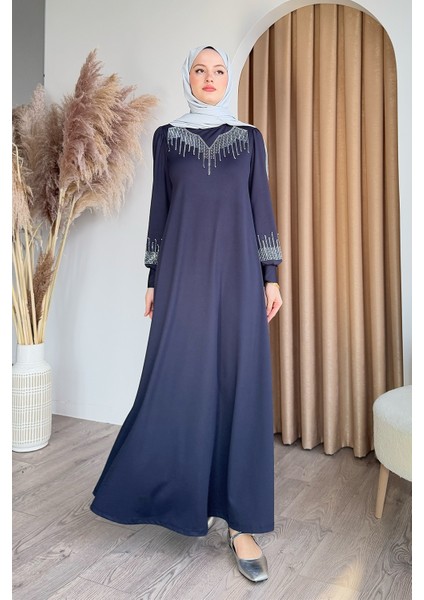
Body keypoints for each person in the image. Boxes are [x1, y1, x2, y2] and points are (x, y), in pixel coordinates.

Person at [90, 45, 283, 583]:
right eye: (200, 70)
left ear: (228, 79)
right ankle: (177, 499)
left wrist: (271, 275)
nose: (209, 78)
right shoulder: (167, 138)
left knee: (240, 388)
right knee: (175, 382)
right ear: (188, 78)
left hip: (240, 276)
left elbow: (260, 205)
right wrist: (154, 279)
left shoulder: (249, 138)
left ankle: (241, 525)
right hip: (182, 275)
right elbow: (161, 209)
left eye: (218, 70)